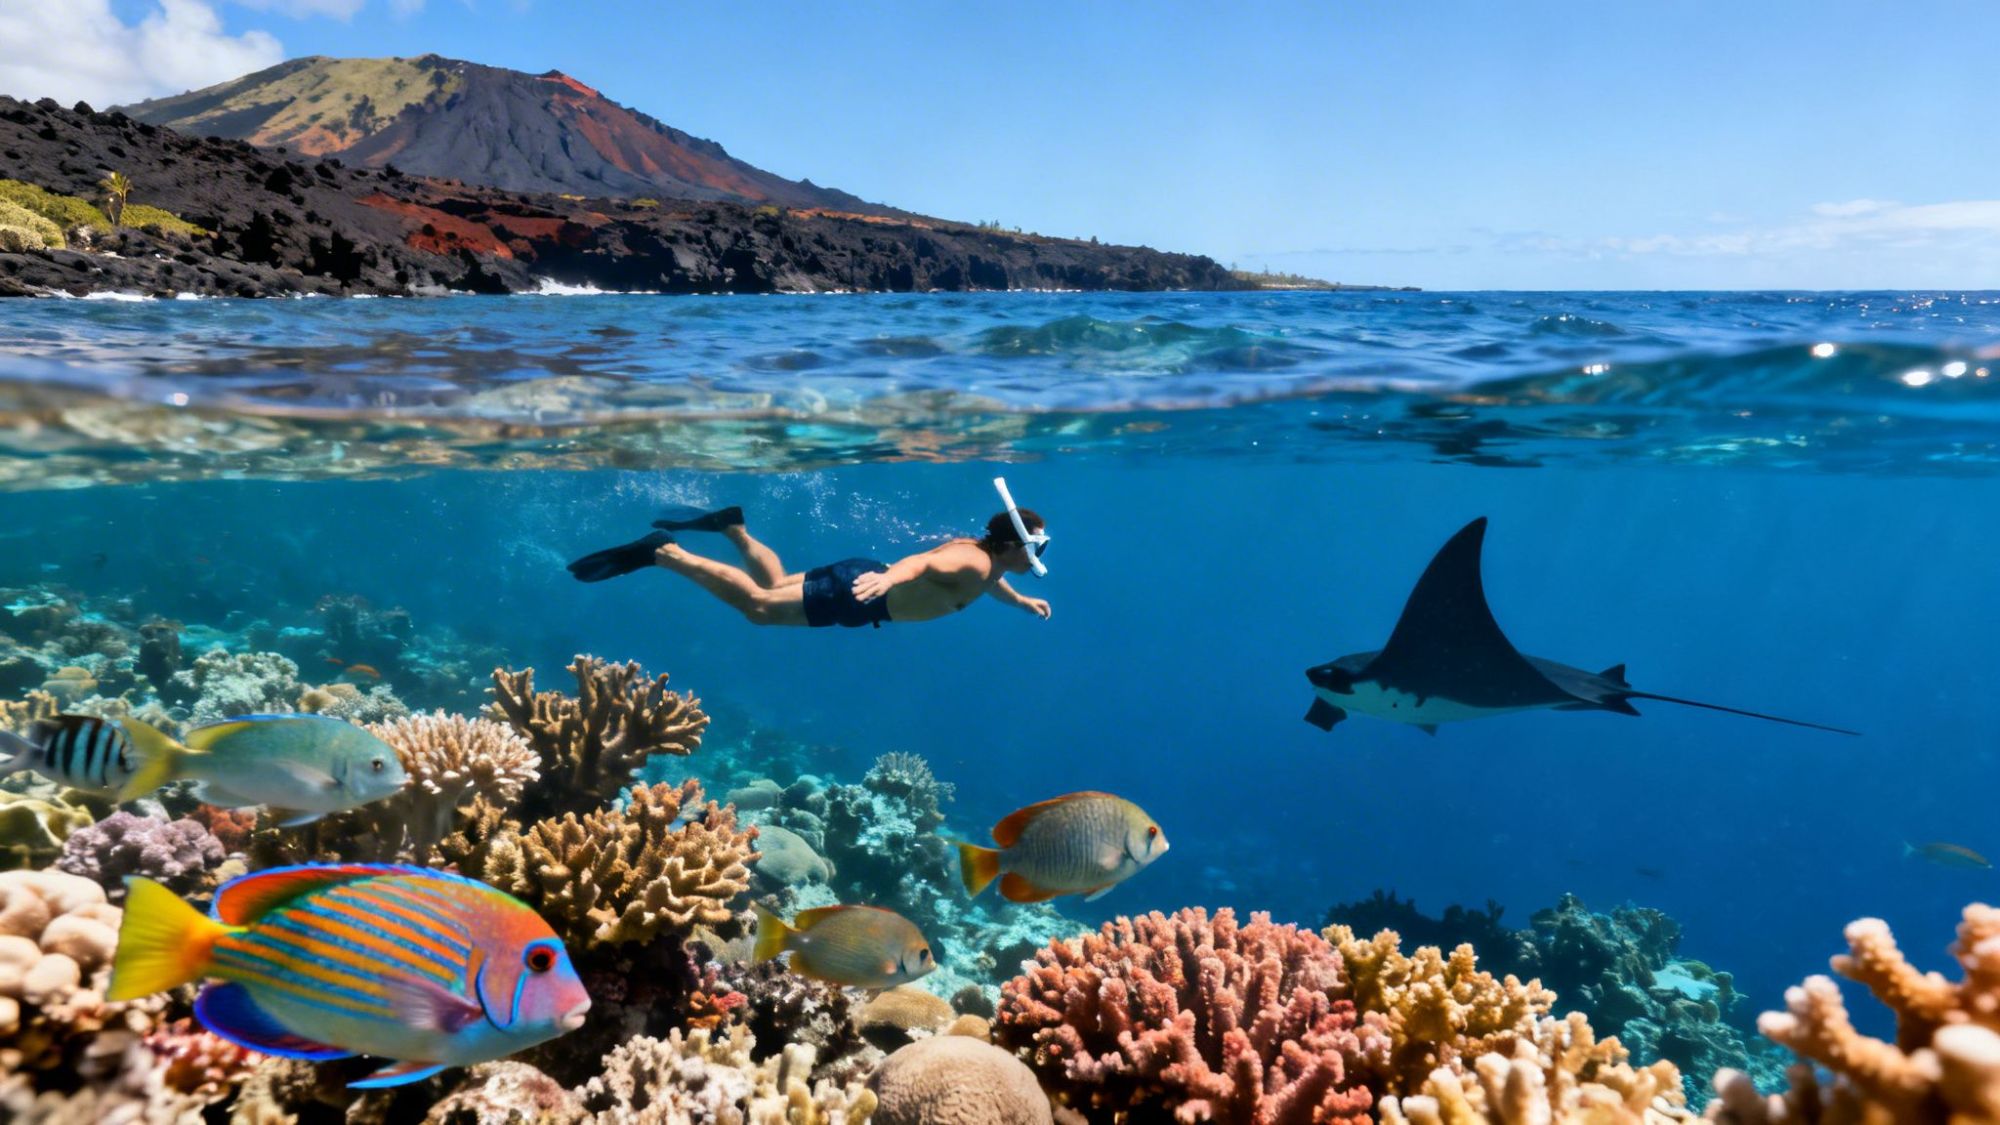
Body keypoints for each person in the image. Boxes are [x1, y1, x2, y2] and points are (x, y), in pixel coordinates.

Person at [567, 504, 1052, 628]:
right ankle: (665, 553)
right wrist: (888, 578)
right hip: (864, 593)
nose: (1038, 558)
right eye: (1037, 549)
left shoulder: (991, 565)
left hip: (860, 581)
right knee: (758, 606)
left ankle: (733, 527)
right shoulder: (970, 559)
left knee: (773, 581)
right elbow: (922, 563)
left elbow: (988, 583)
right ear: (1013, 545)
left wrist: (1021, 601)